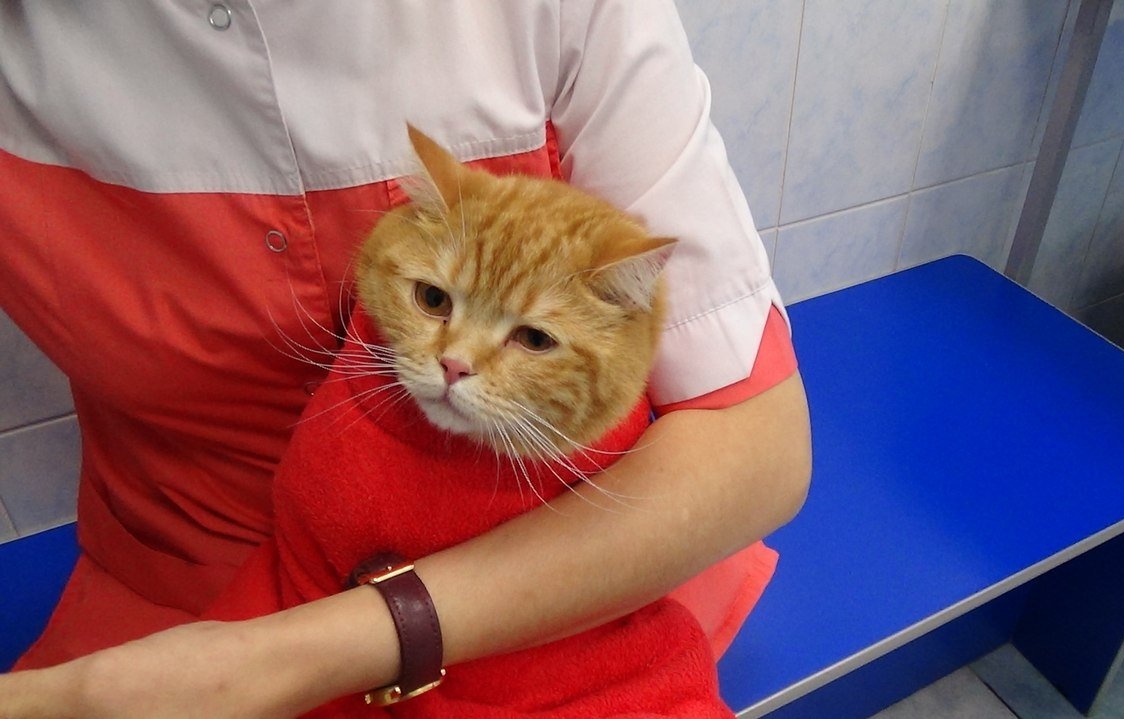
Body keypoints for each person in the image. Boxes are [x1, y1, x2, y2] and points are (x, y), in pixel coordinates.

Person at [0, 2, 811, 716]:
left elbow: (757, 445)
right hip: (177, 591)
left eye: (530, 336)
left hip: (557, 574)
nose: (456, 361)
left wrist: (309, 653)